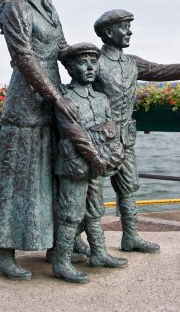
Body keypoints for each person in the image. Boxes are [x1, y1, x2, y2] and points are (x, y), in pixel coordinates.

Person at [92, 9, 180, 253]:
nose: (130, 31)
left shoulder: (131, 62)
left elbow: (162, 71)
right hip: (98, 139)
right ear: (108, 31)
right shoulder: (95, 62)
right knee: (89, 193)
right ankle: (83, 244)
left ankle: (131, 237)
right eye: (124, 26)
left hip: (125, 139)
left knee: (129, 188)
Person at [0, 0, 77, 281]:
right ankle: (4, 253)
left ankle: (53, 243)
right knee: (17, 175)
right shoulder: (14, 5)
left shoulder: (48, 8)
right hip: (27, 99)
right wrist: (55, 95)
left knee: (51, 172)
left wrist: (98, 59)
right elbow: (23, 55)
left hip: (53, 97)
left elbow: (62, 49)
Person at [53, 43, 127, 284]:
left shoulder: (101, 98)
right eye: (83, 63)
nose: (90, 67)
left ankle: (99, 253)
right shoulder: (65, 98)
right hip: (76, 166)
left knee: (95, 211)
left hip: (98, 165)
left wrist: (101, 140)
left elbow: (111, 126)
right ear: (70, 67)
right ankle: (61, 262)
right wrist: (95, 156)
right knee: (71, 215)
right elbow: (74, 132)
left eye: (93, 62)